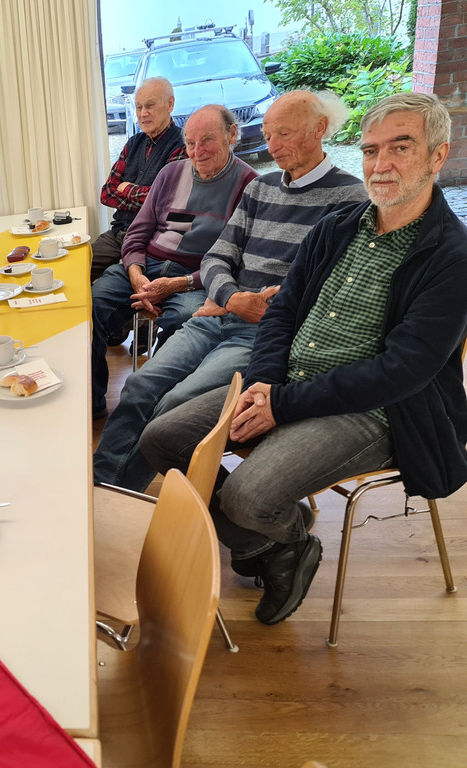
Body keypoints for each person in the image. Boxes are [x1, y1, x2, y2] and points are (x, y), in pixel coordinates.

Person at [140, 93, 467, 626]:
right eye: (371, 150)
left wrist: (281, 404)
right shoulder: (339, 226)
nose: (380, 164)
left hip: (377, 410)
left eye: (401, 147)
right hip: (290, 382)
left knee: (247, 496)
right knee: (163, 438)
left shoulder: (452, 256)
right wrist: (264, 382)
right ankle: (278, 545)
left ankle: (272, 535)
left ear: (437, 156)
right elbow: (283, 311)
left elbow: (402, 372)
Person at [93, 91, 367, 491]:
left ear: (320, 128)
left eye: (284, 133)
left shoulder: (350, 198)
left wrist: (248, 303)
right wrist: (230, 298)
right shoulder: (262, 188)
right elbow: (217, 256)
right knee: (139, 386)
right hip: (218, 314)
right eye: (268, 134)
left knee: (175, 401)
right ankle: (104, 491)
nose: (272, 145)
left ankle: (117, 495)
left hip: (264, 331)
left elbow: (327, 285)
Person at [91, 105, 258, 419]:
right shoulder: (170, 174)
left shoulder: (249, 185)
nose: (197, 151)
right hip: (147, 265)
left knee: (184, 320)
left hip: (196, 277)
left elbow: (238, 260)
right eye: (191, 143)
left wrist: (178, 284)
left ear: (232, 135)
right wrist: (136, 274)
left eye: (207, 140)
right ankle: (93, 402)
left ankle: (155, 409)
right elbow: (137, 232)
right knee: (93, 305)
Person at [90, 77, 186, 283]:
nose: (143, 114)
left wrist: (126, 189)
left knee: (109, 287)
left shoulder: (182, 146)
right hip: (119, 233)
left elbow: (166, 203)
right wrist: (146, 197)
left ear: (170, 104)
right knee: (76, 267)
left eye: (150, 106)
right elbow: (106, 194)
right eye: (139, 107)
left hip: (152, 239)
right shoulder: (134, 143)